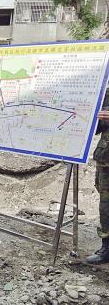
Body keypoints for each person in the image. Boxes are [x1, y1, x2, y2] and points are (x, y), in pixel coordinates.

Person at [86, 92, 109, 264]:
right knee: (106, 205)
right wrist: (98, 118)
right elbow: (96, 128)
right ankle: (106, 248)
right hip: (105, 159)